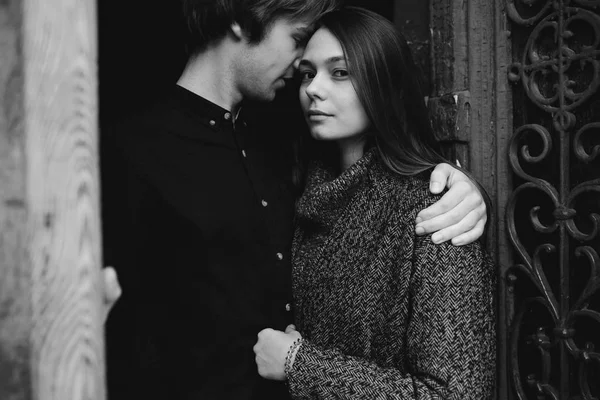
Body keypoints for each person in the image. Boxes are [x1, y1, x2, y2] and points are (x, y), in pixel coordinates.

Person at [104, 1, 490, 400]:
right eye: (304, 61)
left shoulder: (428, 206)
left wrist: (466, 190)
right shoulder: (131, 151)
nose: (308, 85)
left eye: (339, 72)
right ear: (239, 20)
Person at [253, 6, 496, 398]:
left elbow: (455, 394)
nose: (314, 88)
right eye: (308, 73)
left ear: (386, 84)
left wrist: (299, 364)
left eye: (340, 72)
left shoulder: (437, 210)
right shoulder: (308, 200)